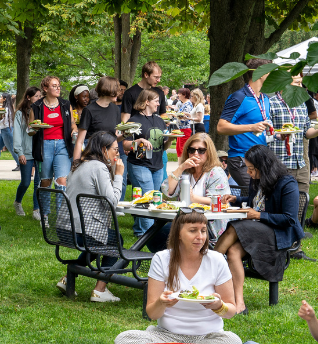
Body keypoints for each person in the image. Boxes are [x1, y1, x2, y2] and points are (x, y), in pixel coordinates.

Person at [114, 209, 242, 344]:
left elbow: (231, 311)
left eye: (203, 231)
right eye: (193, 231)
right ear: (178, 234)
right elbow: (153, 314)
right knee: (123, 340)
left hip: (207, 338)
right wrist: (161, 303)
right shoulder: (162, 259)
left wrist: (219, 306)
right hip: (166, 337)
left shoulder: (216, 259)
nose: (200, 237)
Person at [213, 145, 302, 315]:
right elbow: (258, 201)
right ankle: (239, 303)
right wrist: (237, 199)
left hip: (278, 233)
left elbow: (289, 219)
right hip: (257, 230)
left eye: (251, 169)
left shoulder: (287, 183)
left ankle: (207, 268)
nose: (248, 173)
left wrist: (260, 216)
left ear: (264, 167)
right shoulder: (258, 180)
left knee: (234, 227)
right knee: (232, 251)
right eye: (247, 168)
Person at [62, 131, 126, 302]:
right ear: (104, 150)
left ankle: (68, 277)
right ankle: (100, 290)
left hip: (65, 229)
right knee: (115, 241)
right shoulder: (98, 167)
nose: (117, 153)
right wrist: (119, 175)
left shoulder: (79, 164)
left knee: (100, 240)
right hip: (82, 230)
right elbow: (111, 202)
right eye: (115, 149)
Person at [216, 58, 274, 192]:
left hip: (261, 158)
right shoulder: (238, 97)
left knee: (259, 198)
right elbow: (221, 127)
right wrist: (251, 127)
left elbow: (262, 127)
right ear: (260, 73)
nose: (273, 76)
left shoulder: (265, 98)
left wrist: (275, 135)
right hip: (241, 158)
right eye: (270, 72)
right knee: (255, 194)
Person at [122, 88, 173, 238]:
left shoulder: (159, 120)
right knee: (150, 197)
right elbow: (125, 144)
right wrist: (137, 141)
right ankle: (150, 236)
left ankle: (139, 230)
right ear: (147, 102)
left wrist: (170, 138)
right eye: (156, 101)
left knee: (148, 198)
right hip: (139, 164)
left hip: (157, 165)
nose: (159, 104)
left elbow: (164, 147)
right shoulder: (134, 121)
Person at [164, 133, 231, 241]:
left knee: (166, 233)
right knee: (157, 235)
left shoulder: (216, 172)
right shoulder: (186, 171)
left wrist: (194, 198)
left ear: (209, 152)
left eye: (201, 151)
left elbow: (220, 201)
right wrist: (181, 168)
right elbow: (167, 191)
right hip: (184, 219)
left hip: (209, 225)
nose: (196, 154)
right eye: (192, 150)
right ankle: (175, 257)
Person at [31, 75, 75, 214]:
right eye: (54, 86)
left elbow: (73, 124)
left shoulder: (65, 104)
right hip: (44, 146)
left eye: (58, 85)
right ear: (45, 88)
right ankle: (45, 215)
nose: (58, 88)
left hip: (63, 145)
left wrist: (74, 131)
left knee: (62, 181)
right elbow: (30, 129)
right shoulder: (36, 106)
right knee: (45, 181)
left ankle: (61, 215)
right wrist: (35, 128)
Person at [268, 86, 318, 194]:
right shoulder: (271, 103)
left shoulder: (301, 104)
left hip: (299, 164)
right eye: (296, 82)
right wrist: (279, 134)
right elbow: (265, 132)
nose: (300, 86)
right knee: (281, 205)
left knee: (302, 204)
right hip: (280, 164)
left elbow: (307, 132)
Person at [73, 76, 121, 160]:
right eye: (116, 89)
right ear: (108, 89)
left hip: (111, 156)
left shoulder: (115, 109)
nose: (119, 92)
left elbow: (114, 138)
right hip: (94, 157)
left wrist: (125, 135)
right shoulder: (89, 110)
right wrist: (75, 164)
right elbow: (80, 142)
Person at [12, 87, 43, 218]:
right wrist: (20, 152)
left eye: (40, 96)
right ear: (28, 97)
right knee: (25, 182)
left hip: (40, 151)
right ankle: (17, 202)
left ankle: (36, 209)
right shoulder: (20, 114)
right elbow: (17, 134)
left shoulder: (41, 112)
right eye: (36, 96)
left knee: (39, 182)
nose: (39, 98)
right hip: (26, 152)